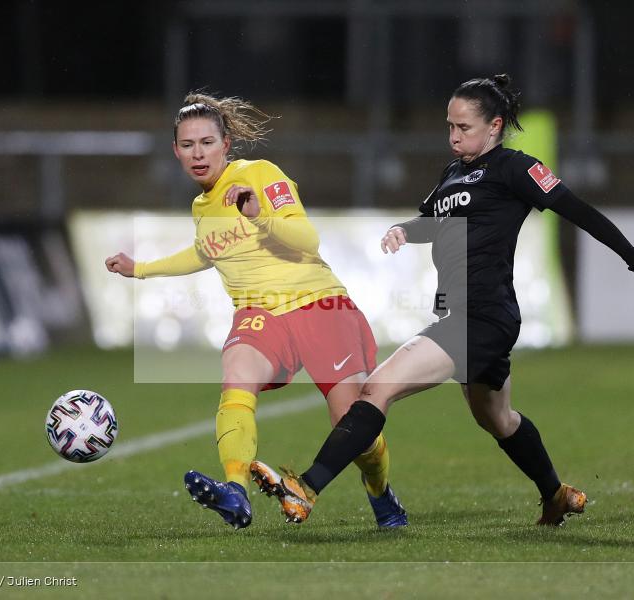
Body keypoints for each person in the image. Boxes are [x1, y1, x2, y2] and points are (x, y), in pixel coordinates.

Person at [250, 74, 634, 526]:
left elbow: (574, 207)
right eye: (449, 126)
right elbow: (432, 221)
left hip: (480, 317)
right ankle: (555, 494)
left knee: (375, 390)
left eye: (464, 128)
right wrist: (406, 229)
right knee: (498, 420)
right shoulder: (452, 174)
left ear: (495, 126)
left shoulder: (514, 168)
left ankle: (305, 487)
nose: (453, 136)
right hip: (465, 317)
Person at [105, 93, 407, 529]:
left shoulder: (259, 175)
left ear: (226, 143)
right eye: (188, 145)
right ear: (176, 151)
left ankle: (381, 494)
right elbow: (203, 253)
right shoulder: (201, 206)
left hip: (318, 305)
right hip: (259, 314)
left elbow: (307, 239)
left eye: (207, 142)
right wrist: (141, 270)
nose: (198, 154)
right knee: (237, 376)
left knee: (353, 426)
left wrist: (259, 214)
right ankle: (235, 492)